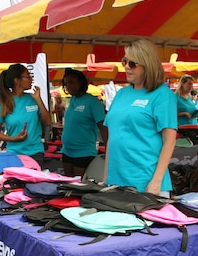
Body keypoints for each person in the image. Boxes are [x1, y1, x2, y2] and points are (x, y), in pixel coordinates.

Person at [103, 38, 177, 196]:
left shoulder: (163, 95)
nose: (127, 68)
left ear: (147, 64)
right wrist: (105, 179)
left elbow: (169, 141)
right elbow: (112, 138)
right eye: (125, 62)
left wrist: (156, 182)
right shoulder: (120, 94)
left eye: (133, 64)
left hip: (147, 183)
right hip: (115, 182)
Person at [0, 63, 51, 168]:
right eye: (28, 76)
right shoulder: (3, 104)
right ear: (17, 81)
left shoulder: (33, 98)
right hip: (15, 154)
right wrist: (13, 139)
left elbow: (48, 122)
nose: (31, 79)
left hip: (36, 153)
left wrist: (38, 99)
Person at [60, 68, 107, 177]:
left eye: (72, 82)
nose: (68, 86)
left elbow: (103, 126)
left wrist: (108, 148)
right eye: (66, 84)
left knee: (79, 186)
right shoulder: (72, 100)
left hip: (84, 152)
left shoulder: (92, 101)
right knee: (68, 186)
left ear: (81, 83)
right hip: (67, 151)